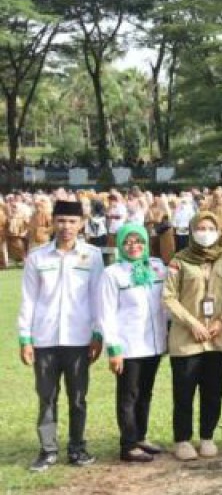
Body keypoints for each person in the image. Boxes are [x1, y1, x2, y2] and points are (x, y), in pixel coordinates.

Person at [18, 200, 104, 471]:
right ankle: (48, 450)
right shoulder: (37, 256)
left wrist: (97, 334)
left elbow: (97, 297)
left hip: (79, 339)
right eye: (61, 221)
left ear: (81, 223)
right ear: (53, 222)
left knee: (77, 397)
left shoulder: (92, 255)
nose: (66, 227)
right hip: (44, 338)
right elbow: (28, 300)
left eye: (72, 221)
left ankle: (77, 448)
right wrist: (25, 338)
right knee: (46, 397)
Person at [162, 211, 222, 460]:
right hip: (186, 339)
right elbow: (168, 297)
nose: (205, 233)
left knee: (213, 390)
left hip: (217, 338)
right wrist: (192, 323)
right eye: (200, 228)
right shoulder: (179, 260)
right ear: (192, 231)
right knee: (184, 391)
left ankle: (207, 437)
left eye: (210, 228)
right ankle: (182, 439)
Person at [96, 222, 169, 463]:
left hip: (154, 344)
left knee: (145, 393)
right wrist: (113, 349)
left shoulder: (157, 267)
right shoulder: (113, 273)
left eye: (138, 241)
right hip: (128, 345)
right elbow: (105, 313)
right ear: (120, 245)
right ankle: (127, 445)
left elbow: (166, 302)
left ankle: (140, 436)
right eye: (128, 242)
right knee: (129, 395)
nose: (134, 246)